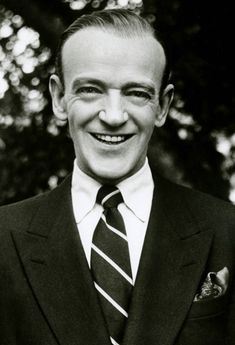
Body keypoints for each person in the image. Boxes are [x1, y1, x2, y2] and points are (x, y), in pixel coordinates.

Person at [0, 8, 235, 345]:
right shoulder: (4, 239)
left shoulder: (227, 231)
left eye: (137, 93)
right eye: (91, 90)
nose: (113, 116)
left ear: (163, 106)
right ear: (58, 98)